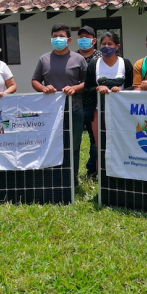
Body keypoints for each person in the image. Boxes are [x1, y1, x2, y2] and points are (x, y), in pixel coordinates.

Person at [32, 24, 87, 184]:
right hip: (50, 112)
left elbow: (86, 83)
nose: (58, 39)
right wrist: (43, 88)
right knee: (51, 146)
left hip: (74, 109)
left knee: (74, 145)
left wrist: (75, 88)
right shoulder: (44, 59)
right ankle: (54, 177)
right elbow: (35, 81)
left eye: (61, 36)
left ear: (69, 40)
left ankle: (72, 178)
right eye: (55, 36)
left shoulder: (78, 59)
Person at [84, 30, 134, 170]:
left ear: (117, 46)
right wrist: (97, 88)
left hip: (121, 112)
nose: (107, 46)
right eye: (104, 43)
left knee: (120, 141)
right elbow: (87, 88)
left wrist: (123, 90)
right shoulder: (94, 64)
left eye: (110, 44)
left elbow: (133, 86)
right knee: (99, 143)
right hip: (98, 111)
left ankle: (120, 170)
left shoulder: (126, 63)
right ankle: (101, 172)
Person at [76, 26, 102, 178]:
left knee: (94, 139)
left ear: (93, 40)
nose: (83, 39)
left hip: (94, 104)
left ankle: (92, 170)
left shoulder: (100, 57)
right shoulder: (73, 56)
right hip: (76, 103)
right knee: (75, 139)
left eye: (87, 36)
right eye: (81, 36)